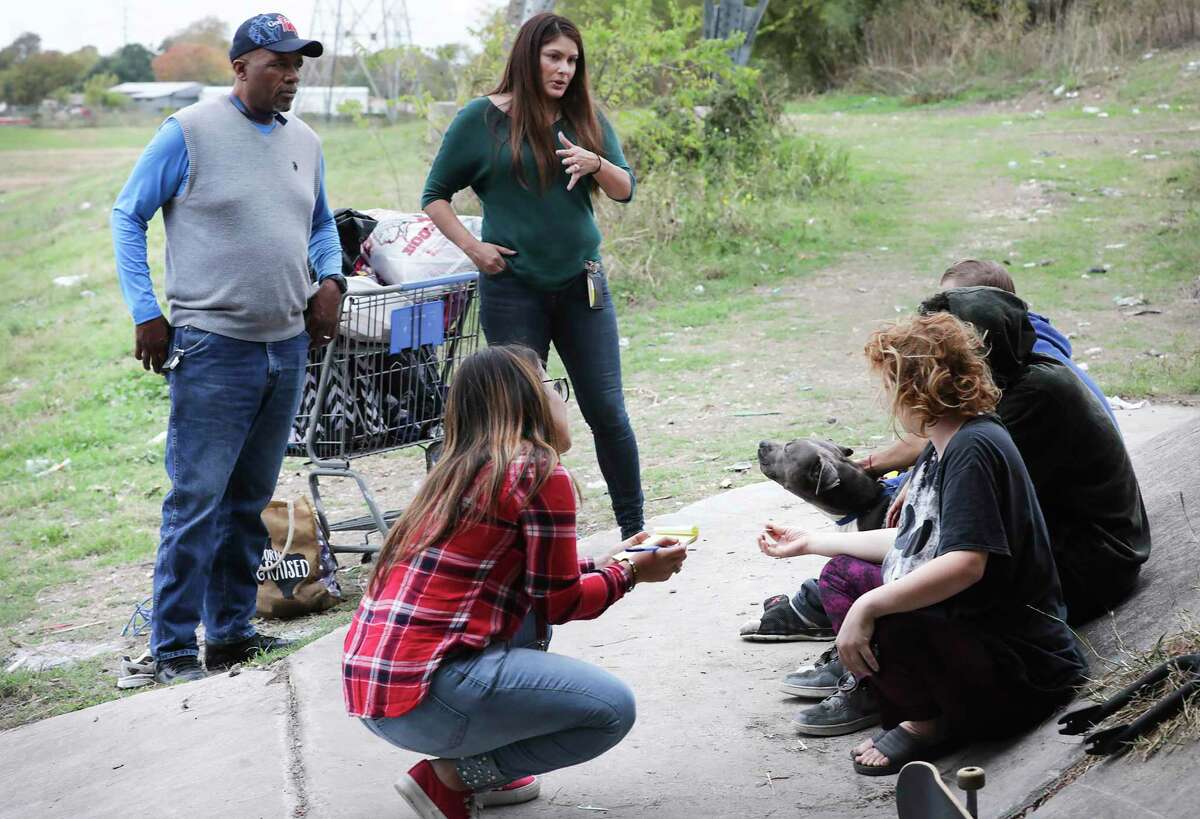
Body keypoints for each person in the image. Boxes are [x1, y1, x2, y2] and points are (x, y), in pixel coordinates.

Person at [774, 286, 1149, 738]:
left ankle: (933, 719)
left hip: (1030, 648)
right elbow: (919, 539)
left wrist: (869, 607)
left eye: (891, 386)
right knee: (845, 574)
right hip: (1014, 611)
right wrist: (810, 543)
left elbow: (966, 562)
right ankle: (894, 684)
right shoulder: (955, 437)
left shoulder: (977, 444)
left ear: (918, 392)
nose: (887, 398)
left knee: (881, 608)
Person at [343, 345, 687, 819]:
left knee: (523, 616)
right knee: (611, 710)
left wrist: (608, 562)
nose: (561, 400)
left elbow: (538, 579)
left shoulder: (457, 469)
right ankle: (451, 778)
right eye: (554, 388)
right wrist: (630, 572)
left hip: (379, 697)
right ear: (528, 399)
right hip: (428, 700)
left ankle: (481, 764)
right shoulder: (539, 471)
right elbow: (563, 604)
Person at [111, 13, 348, 685]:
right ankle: (175, 649)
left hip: (285, 348)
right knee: (197, 502)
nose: (293, 75)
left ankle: (233, 633)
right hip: (212, 348)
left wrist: (329, 277)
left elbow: (320, 220)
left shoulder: (305, 139)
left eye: (299, 63)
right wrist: (145, 311)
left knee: (248, 503)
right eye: (279, 63)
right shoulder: (188, 132)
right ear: (240, 68)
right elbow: (127, 214)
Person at [420, 13, 644, 539]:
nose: (564, 69)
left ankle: (634, 529)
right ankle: (528, 536)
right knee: (521, 420)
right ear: (528, 56)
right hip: (512, 287)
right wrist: (474, 249)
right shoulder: (480, 120)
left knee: (607, 410)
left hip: (581, 283)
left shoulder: (584, 117)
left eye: (572, 60)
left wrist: (596, 163)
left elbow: (624, 188)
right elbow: (435, 196)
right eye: (553, 57)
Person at [937, 259, 1116, 425]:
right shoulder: (1027, 338)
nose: (937, 316)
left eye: (947, 308)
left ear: (980, 308)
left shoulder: (1021, 360)